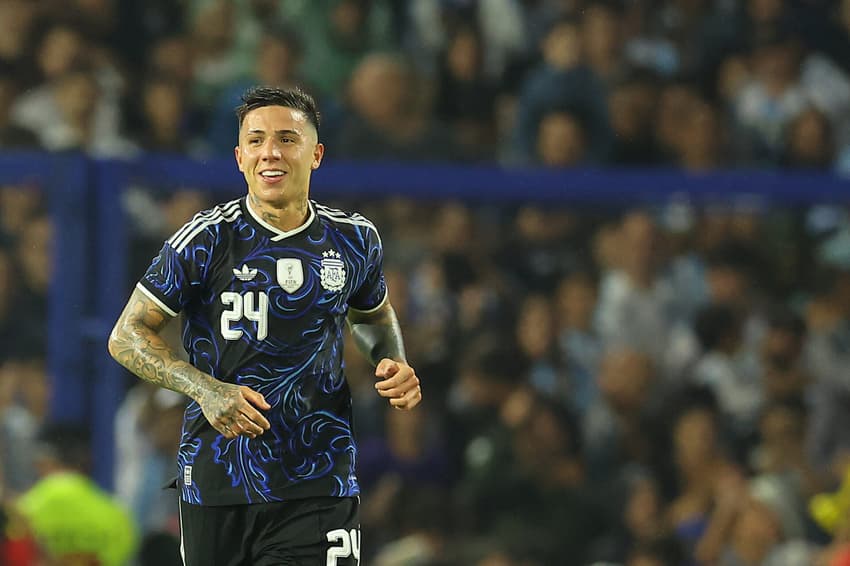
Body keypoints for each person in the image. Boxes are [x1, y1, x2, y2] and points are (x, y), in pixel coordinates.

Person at [108, 85, 422, 565]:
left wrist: (391, 359)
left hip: (319, 478)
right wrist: (206, 389)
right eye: (255, 141)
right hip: (218, 479)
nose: (269, 152)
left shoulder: (355, 240)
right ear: (238, 157)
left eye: (285, 139)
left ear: (315, 154)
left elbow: (373, 313)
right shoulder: (205, 240)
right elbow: (126, 336)